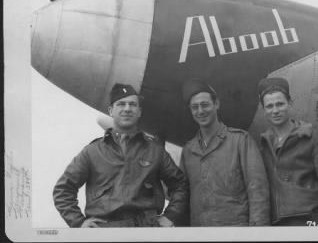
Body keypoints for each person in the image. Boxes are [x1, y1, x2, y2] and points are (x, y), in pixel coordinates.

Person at [53, 83, 188, 227]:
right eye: (121, 104)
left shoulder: (155, 151)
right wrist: (79, 223)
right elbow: (63, 190)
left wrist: (170, 216)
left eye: (132, 105)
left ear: (139, 111)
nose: (127, 109)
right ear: (111, 111)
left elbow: (181, 185)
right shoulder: (92, 152)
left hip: (145, 231)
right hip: (106, 232)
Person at [256, 76, 318, 226]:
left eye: (280, 104)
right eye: (269, 106)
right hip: (277, 226)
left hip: (309, 221)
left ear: (290, 103)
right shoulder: (264, 144)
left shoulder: (313, 138)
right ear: (263, 109)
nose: (275, 111)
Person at [180, 78, 270, 226]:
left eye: (205, 105)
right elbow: (183, 197)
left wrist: (258, 233)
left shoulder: (240, 141)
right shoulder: (188, 151)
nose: (200, 111)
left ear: (216, 104)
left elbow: (257, 190)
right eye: (195, 107)